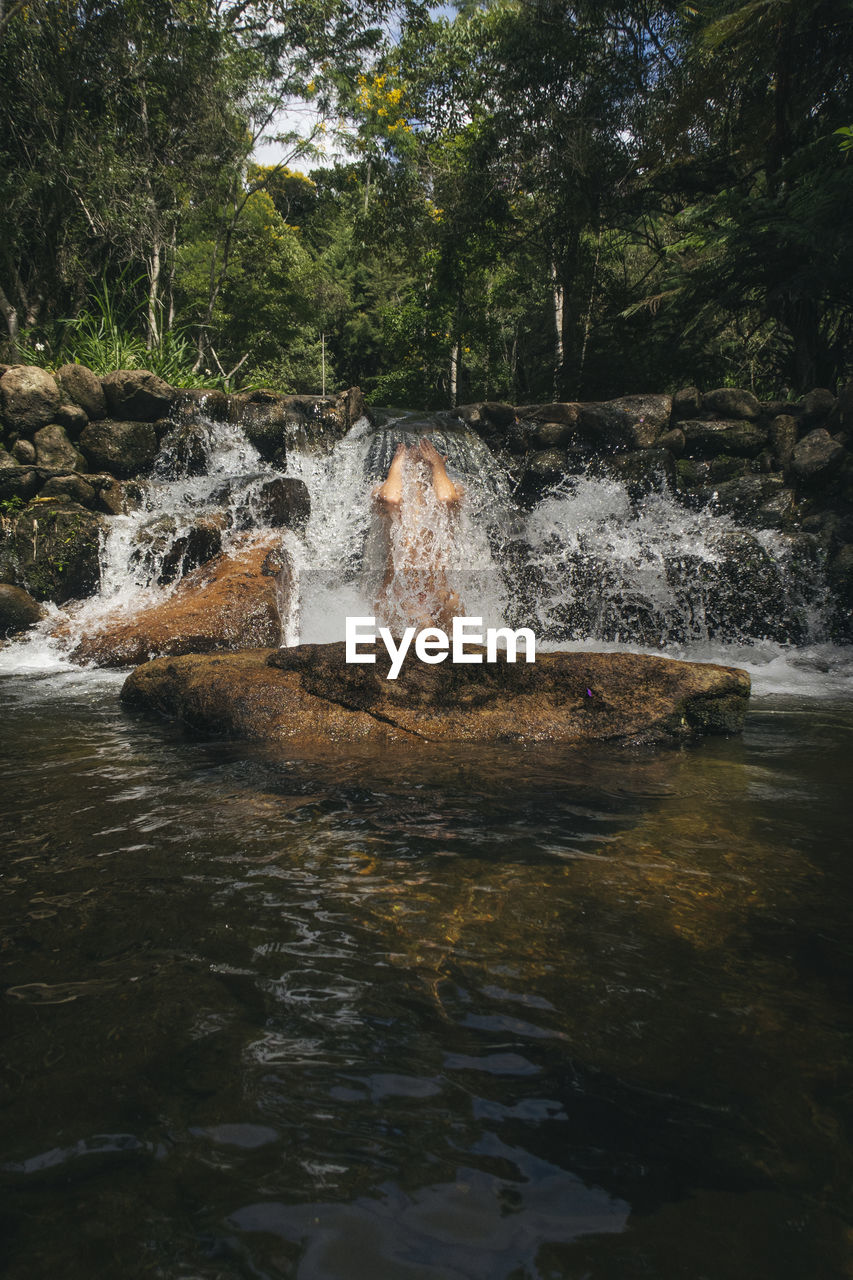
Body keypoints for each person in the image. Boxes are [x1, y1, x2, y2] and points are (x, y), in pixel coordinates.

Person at [372, 437, 465, 631]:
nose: (419, 455)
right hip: (398, 595)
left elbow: (446, 499)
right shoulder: (381, 490)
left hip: (438, 594)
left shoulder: (454, 489)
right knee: (426, 626)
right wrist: (397, 464)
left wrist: (438, 466)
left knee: (454, 606)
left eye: (425, 448)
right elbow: (392, 499)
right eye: (412, 450)